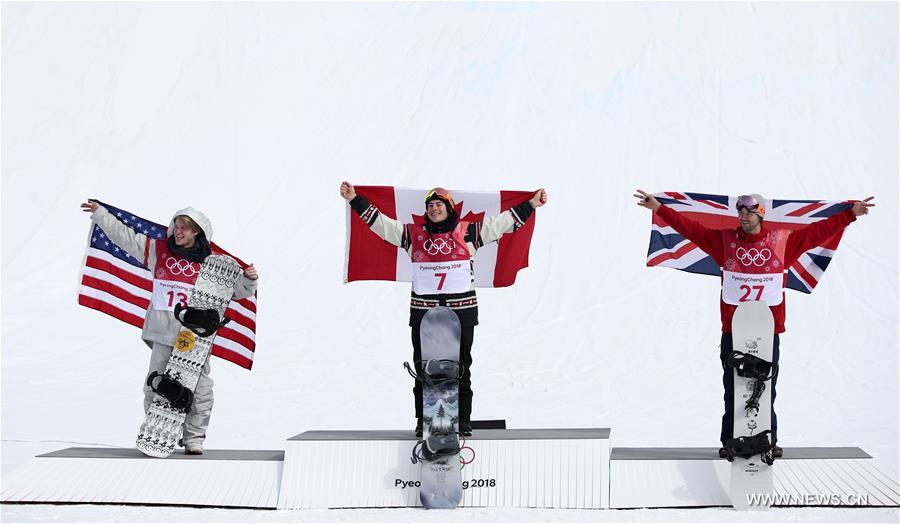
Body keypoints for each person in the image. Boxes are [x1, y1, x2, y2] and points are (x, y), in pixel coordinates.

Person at [633, 191, 874, 455]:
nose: (743, 216)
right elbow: (691, 229)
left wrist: (850, 214)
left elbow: (817, 231)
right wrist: (660, 209)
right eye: (740, 212)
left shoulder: (782, 241)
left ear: (760, 214)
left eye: (749, 212)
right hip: (734, 328)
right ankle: (729, 441)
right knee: (733, 387)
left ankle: (768, 439)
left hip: (767, 329)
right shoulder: (723, 241)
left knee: (766, 386)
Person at [340, 182, 547, 436]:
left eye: (439, 204)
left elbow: (502, 224)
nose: (434, 209)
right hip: (424, 313)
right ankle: (424, 420)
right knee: (424, 366)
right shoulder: (412, 235)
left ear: (450, 208)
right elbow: (382, 225)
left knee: (461, 366)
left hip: (462, 311)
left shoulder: (468, 232)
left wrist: (531, 204)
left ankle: (461, 419)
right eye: (430, 206)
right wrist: (355, 200)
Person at [80, 199, 259, 455]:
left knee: (201, 389)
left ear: (196, 231)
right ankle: (157, 432)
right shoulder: (158, 250)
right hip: (163, 333)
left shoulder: (212, 262)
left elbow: (237, 291)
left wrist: (250, 280)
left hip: (195, 338)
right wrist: (101, 215)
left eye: (184, 227)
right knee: (156, 384)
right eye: (176, 225)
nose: (178, 230)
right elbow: (125, 237)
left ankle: (194, 438)